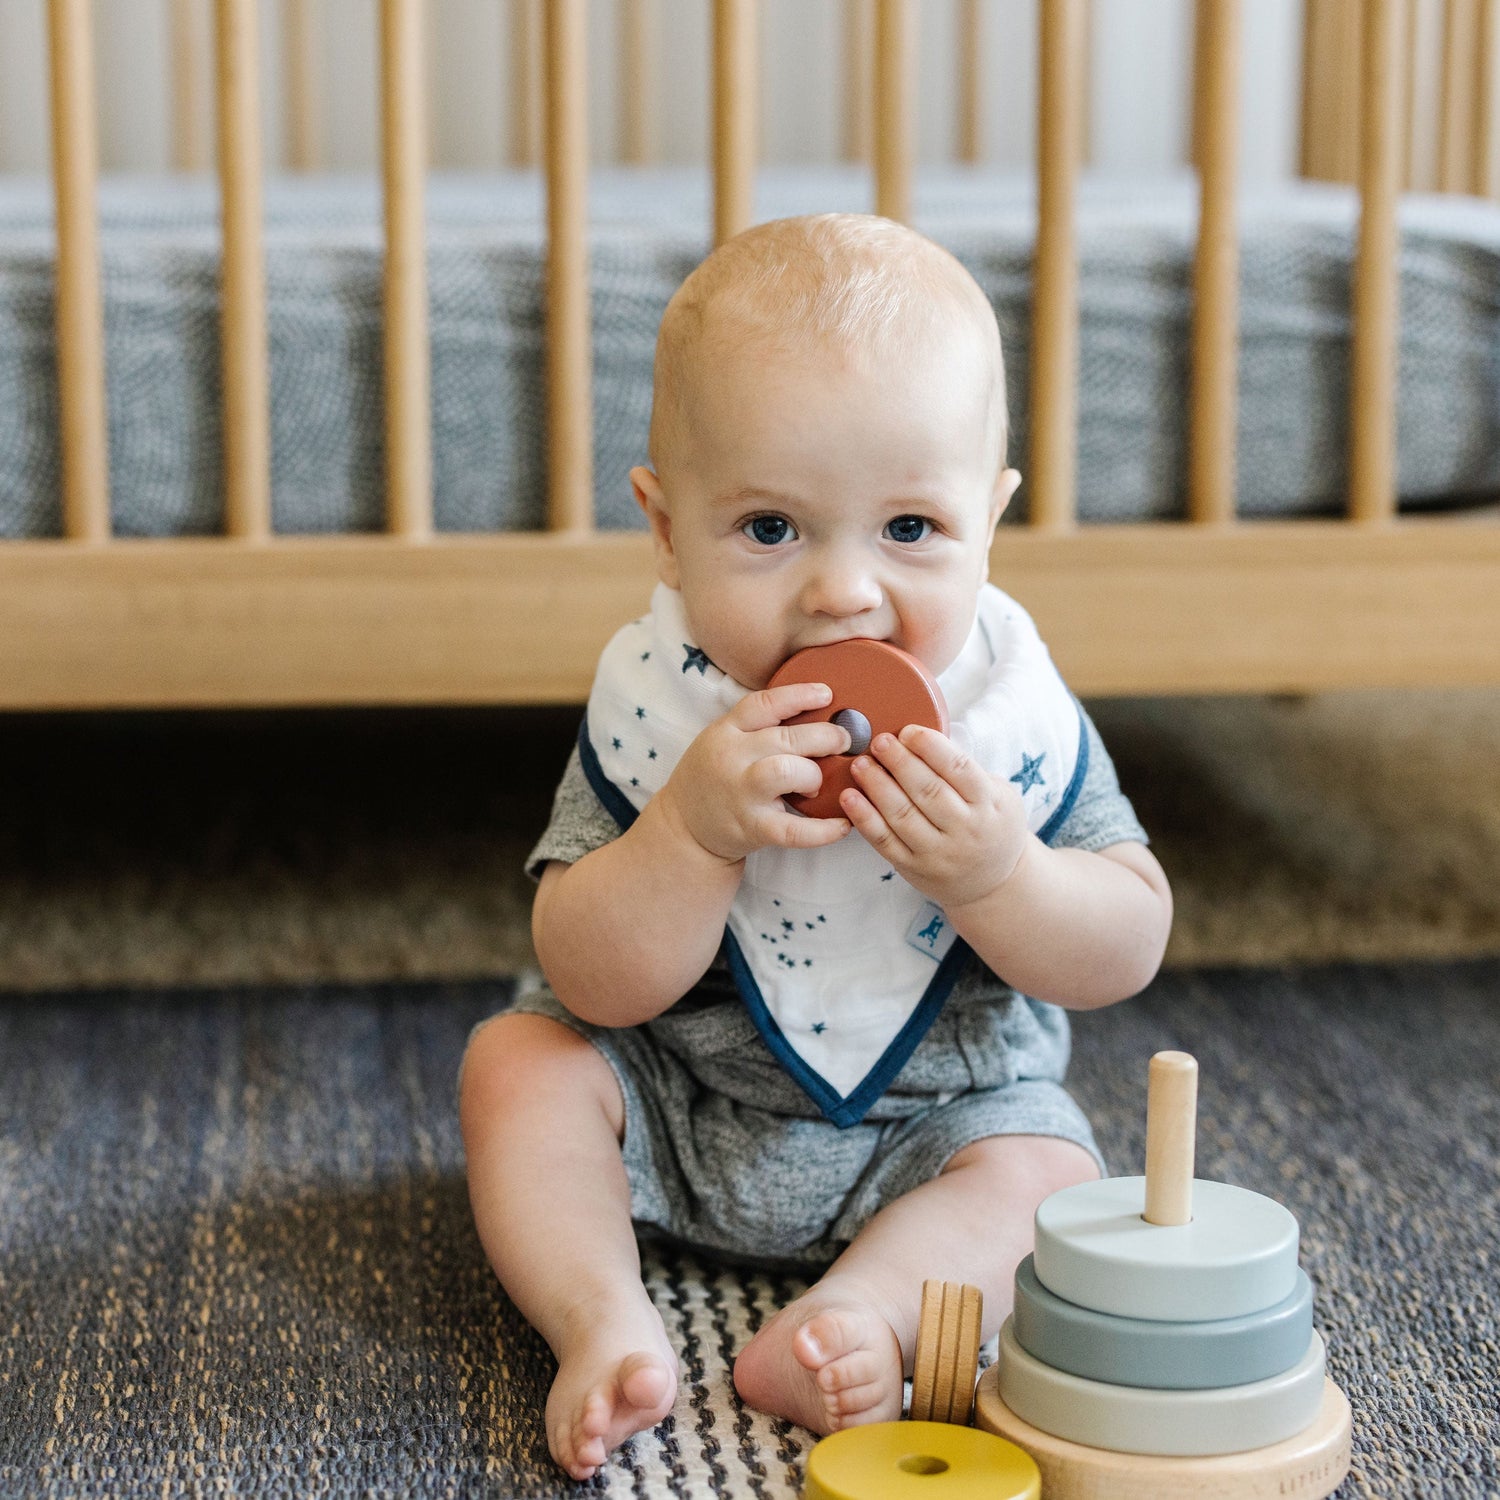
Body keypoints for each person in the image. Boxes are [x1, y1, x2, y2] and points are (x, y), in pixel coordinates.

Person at [459, 213, 1173, 1481]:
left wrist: (1004, 874)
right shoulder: (664, 705)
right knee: (517, 1064)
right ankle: (599, 1315)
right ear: (666, 527)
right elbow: (587, 975)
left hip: (937, 1127)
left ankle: (860, 1314)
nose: (845, 591)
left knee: (1051, 1173)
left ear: (990, 518)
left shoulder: (1004, 716)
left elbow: (1126, 945)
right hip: (673, 1098)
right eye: (771, 529)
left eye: (911, 529)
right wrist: (686, 834)